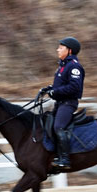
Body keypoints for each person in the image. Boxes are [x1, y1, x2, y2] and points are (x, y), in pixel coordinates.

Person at [40, 37, 85, 169]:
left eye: (61, 47)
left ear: (69, 50)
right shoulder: (63, 66)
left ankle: (65, 159)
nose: (57, 49)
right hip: (60, 103)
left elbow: (74, 87)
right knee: (48, 124)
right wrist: (48, 89)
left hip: (68, 103)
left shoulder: (74, 66)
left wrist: (55, 92)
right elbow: (60, 85)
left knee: (58, 126)